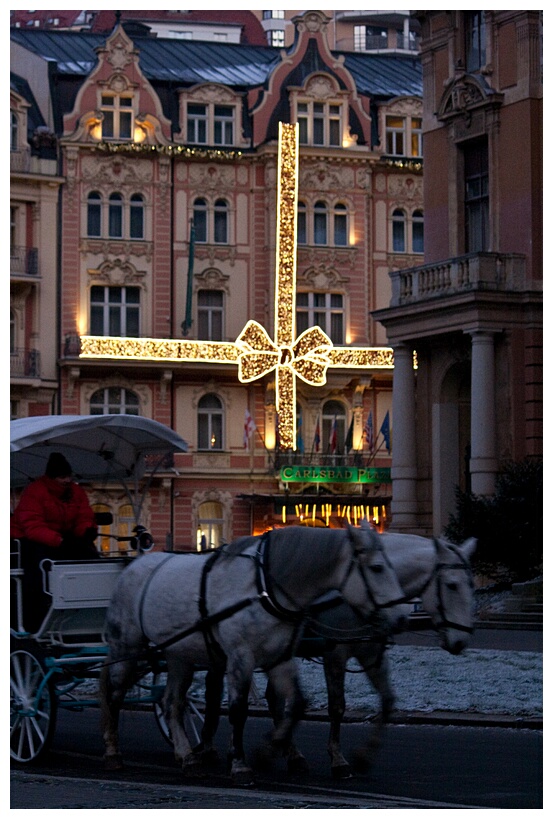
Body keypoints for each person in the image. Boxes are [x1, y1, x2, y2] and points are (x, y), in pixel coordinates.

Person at [11, 452, 99, 632]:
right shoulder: (35, 492)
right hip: (26, 539)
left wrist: (86, 531)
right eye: (62, 477)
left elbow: (84, 516)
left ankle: (90, 602)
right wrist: (60, 541)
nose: (67, 480)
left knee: (90, 555)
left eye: (68, 476)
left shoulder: (76, 492)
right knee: (39, 566)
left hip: (59, 538)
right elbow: (33, 527)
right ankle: (37, 614)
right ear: (51, 477)